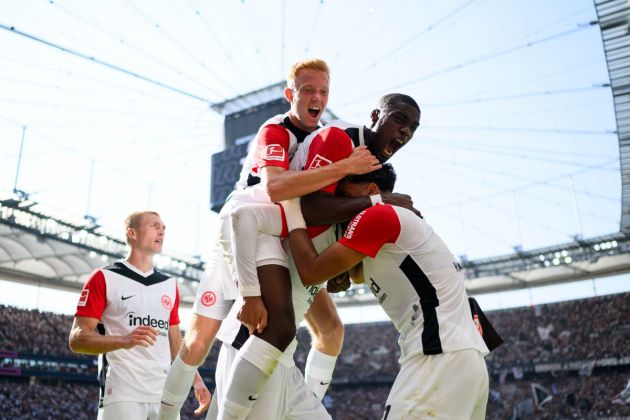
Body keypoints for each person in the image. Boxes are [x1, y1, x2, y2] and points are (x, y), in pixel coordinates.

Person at [158, 58, 382, 420]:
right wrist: (345, 167)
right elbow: (276, 187)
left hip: (280, 231)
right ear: (291, 94)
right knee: (201, 339)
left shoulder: (328, 136)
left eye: (324, 91)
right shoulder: (274, 129)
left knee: (331, 330)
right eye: (308, 89)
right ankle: (164, 415)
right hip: (240, 227)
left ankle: (300, 402)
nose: (317, 97)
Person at [222, 94, 422, 419]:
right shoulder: (304, 206)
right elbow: (267, 217)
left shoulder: (342, 226)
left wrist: (344, 267)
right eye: (399, 119)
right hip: (258, 345)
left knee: (330, 330)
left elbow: (346, 276)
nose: (405, 132)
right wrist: (250, 294)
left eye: (413, 127)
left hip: (282, 360)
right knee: (294, 328)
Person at [278, 164, 490, 420]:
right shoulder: (397, 222)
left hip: (438, 354)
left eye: (344, 197)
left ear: (371, 190)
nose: (339, 208)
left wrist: (292, 209)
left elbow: (311, 272)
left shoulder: (378, 215)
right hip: (468, 360)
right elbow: (352, 275)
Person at [68, 211, 210, 420]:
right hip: (122, 395)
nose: (162, 230)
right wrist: (124, 340)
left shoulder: (169, 285)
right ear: (132, 233)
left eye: (163, 227)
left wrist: (195, 380)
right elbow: (77, 339)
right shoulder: (104, 277)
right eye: (154, 225)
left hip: (164, 396)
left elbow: (175, 343)